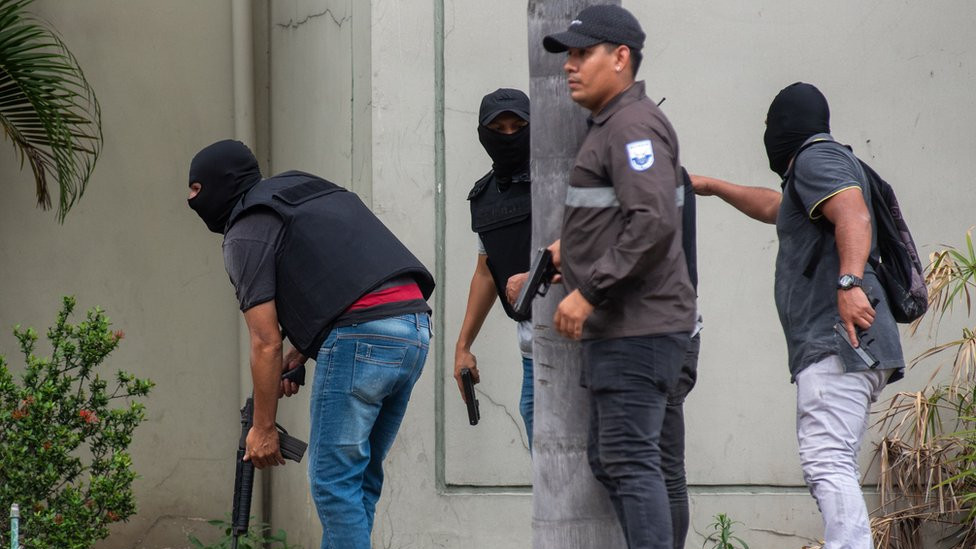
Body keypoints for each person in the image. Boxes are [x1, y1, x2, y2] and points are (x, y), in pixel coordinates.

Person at [185, 140, 435, 549]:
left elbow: (265, 341)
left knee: (333, 482)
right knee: (359, 480)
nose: (189, 199)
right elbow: (344, 273)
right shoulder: (303, 189)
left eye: (195, 188)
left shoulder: (245, 228)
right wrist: (301, 350)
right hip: (414, 331)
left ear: (219, 184)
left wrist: (263, 428)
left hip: (361, 336)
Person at [691, 82, 905, 548]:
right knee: (833, 460)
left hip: (839, 338)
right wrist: (709, 186)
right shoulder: (812, 173)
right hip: (846, 342)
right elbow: (778, 207)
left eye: (770, 126)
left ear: (786, 125)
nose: (767, 134)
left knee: (827, 460)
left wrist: (848, 283)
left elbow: (853, 215)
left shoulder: (816, 157)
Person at [541, 5, 697, 548]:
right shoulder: (613, 125)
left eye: (583, 54)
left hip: (640, 328)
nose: (570, 66)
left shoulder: (631, 125)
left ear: (621, 57)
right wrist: (575, 248)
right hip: (627, 330)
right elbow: (626, 214)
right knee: (614, 462)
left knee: (631, 463)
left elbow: (653, 220)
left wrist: (589, 290)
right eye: (569, 56)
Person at [453, 88, 534, 449]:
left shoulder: (561, 178)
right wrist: (463, 344)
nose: (508, 136)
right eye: (498, 128)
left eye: (518, 126)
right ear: (483, 135)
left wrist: (539, 276)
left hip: (584, 346)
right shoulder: (485, 196)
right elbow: (487, 271)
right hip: (534, 351)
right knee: (550, 476)